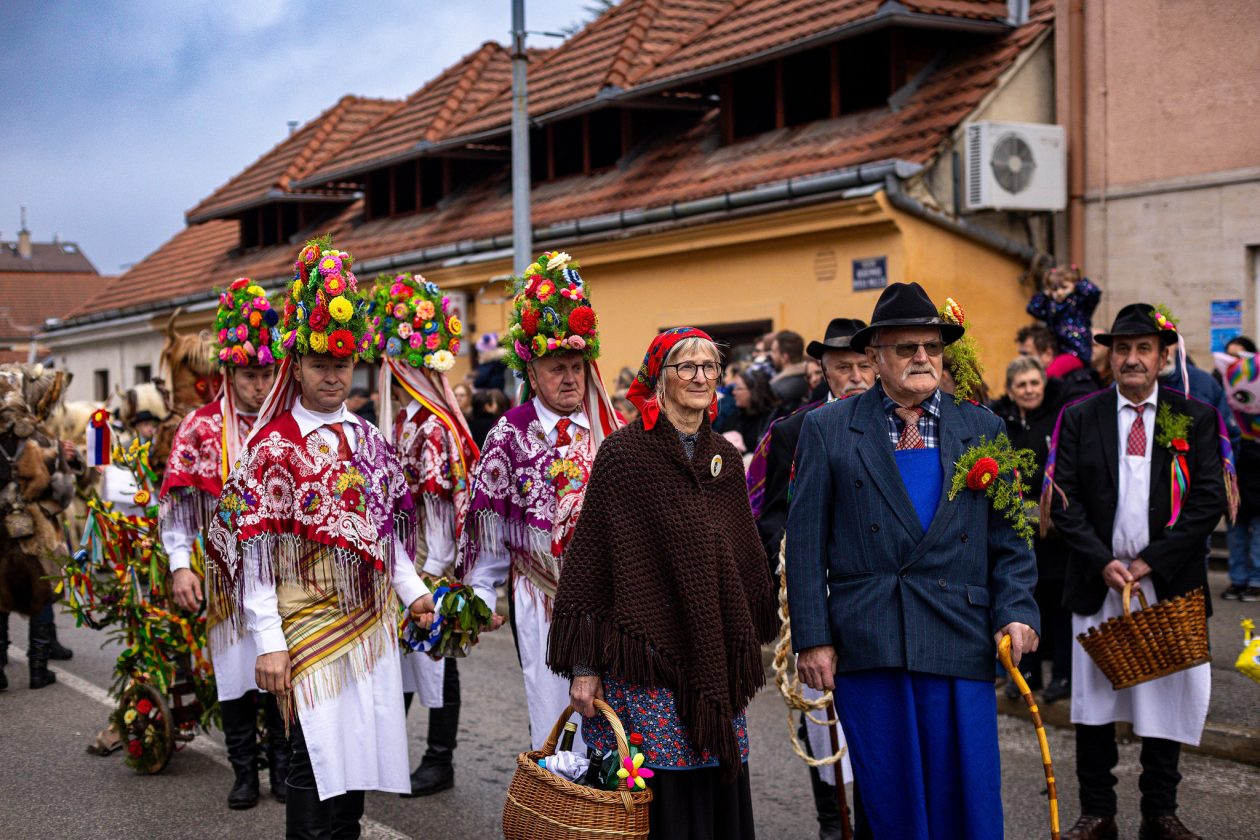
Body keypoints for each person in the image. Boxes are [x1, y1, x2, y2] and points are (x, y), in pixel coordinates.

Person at [787, 282, 1039, 839]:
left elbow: (1012, 540)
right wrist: (813, 637)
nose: (922, 357)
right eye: (906, 348)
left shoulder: (983, 427)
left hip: (961, 633)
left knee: (967, 796)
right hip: (871, 635)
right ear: (875, 356)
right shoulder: (827, 429)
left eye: (932, 346)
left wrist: (1017, 611)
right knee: (892, 800)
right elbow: (805, 543)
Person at [207, 238, 436, 839]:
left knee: (357, 754)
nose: (332, 375)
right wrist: (267, 642)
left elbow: (387, 537)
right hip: (304, 623)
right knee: (313, 756)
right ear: (297, 368)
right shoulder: (272, 446)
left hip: (368, 621)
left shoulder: (369, 439)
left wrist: (414, 592)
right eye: (319, 364)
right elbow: (254, 555)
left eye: (341, 364)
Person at [550, 327, 775, 840]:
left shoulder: (724, 459)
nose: (700, 377)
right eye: (686, 366)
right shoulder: (624, 455)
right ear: (659, 379)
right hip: (645, 660)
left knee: (716, 783)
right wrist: (584, 667)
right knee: (659, 795)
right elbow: (593, 566)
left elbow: (742, 555)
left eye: (709, 367)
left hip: (713, 654)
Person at [1048, 304, 1226, 840]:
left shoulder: (1194, 417)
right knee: (1094, 706)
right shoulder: (1080, 416)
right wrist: (1102, 560)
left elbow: (1208, 499)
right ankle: (1098, 812)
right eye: (1122, 348)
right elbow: (1064, 500)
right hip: (1098, 582)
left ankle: (1160, 813)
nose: (1131, 358)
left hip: (1166, 584)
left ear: (1163, 356)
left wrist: (1153, 560)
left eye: (1143, 348)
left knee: (1165, 703)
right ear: (1109, 356)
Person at [458, 250, 621, 752]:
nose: (570, 378)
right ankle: (561, 795)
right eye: (556, 368)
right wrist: (480, 595)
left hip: (614, 600)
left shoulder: (610, 428)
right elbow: (489, 527)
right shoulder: (509, 433)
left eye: (576, 366)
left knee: (620, 722)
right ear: (531, 371)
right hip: (543, 598)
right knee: (559, 720)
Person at [160, 278, 289, 809]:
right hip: (224, 576)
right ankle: (243, 772)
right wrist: (180, 565)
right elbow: (178, 510)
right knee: (235, 676)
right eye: (250, 375)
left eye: (267, 374)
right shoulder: (200, 427)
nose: (259, 386)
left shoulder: (289, 424)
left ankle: (283, 768)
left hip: (284, 576)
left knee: (280, 673)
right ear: (229, 374)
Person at [746, 317, 874, 840]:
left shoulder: (898, 425)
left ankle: (875, 817)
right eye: (844, 367)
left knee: (876, 710)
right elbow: (771, 512)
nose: (856, 377)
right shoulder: (793, 431)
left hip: (875, 593)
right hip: (815, 589)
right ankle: (831, 820)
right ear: (822, 370)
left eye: (864, 365)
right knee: (821, 707)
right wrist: (797, 555)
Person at [371, 271, 480, 798]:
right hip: (409, 563)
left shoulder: (429, 427)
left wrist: (433, 573)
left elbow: (438, 509)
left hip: (427, 564)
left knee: (436, 658)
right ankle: (390, 750)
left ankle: (440, 759)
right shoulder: (404, 421)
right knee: (407, 659)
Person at [992, 356, 1073, 703]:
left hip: (1056, 533)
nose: (1029, 390)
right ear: (1011, 390)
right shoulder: (1001, 423)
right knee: (1026, 603)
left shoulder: (1060, 419)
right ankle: (1026, 672)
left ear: (1044, 383)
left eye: (1034, 383)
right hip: (1019, 533)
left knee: (1059, 607)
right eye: (1021, 385)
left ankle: (1063, 675)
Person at [1215, 338, 1260, 601]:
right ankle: (1239, 579)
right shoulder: (1221, 392)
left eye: (1240, 357)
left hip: (1256, 479)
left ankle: (1256, 580)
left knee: (1257, 535)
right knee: (1236, 532)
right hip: (1235, 479)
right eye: (1230, 357)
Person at [1027, 263, 1101, 367]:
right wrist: (1045, 293)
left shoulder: (1079, 303)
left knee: (1053, 371)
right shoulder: (1051, 306)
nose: (1059, 292)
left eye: (1064, 287)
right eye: (1055, 289)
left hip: (1077, 352)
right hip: (1057, 351)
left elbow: (1094, 292)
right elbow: (1032, 308)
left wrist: (1078, 283)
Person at [1018, 324, 1100, 401]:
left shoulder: (1078, 385)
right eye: (1020, 354)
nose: (1021, 359)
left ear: (1048, 354)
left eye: (1026, 354)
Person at [715, 369, 778, 453]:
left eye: (738, 388)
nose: (734, 392)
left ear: (754, 391)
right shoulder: (737, 414)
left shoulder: (771, 419)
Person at [769, 330, 810, 412]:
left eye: (773, 351)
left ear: (785, 357)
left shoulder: (778, 389)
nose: (770, 355)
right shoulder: (810, 377)